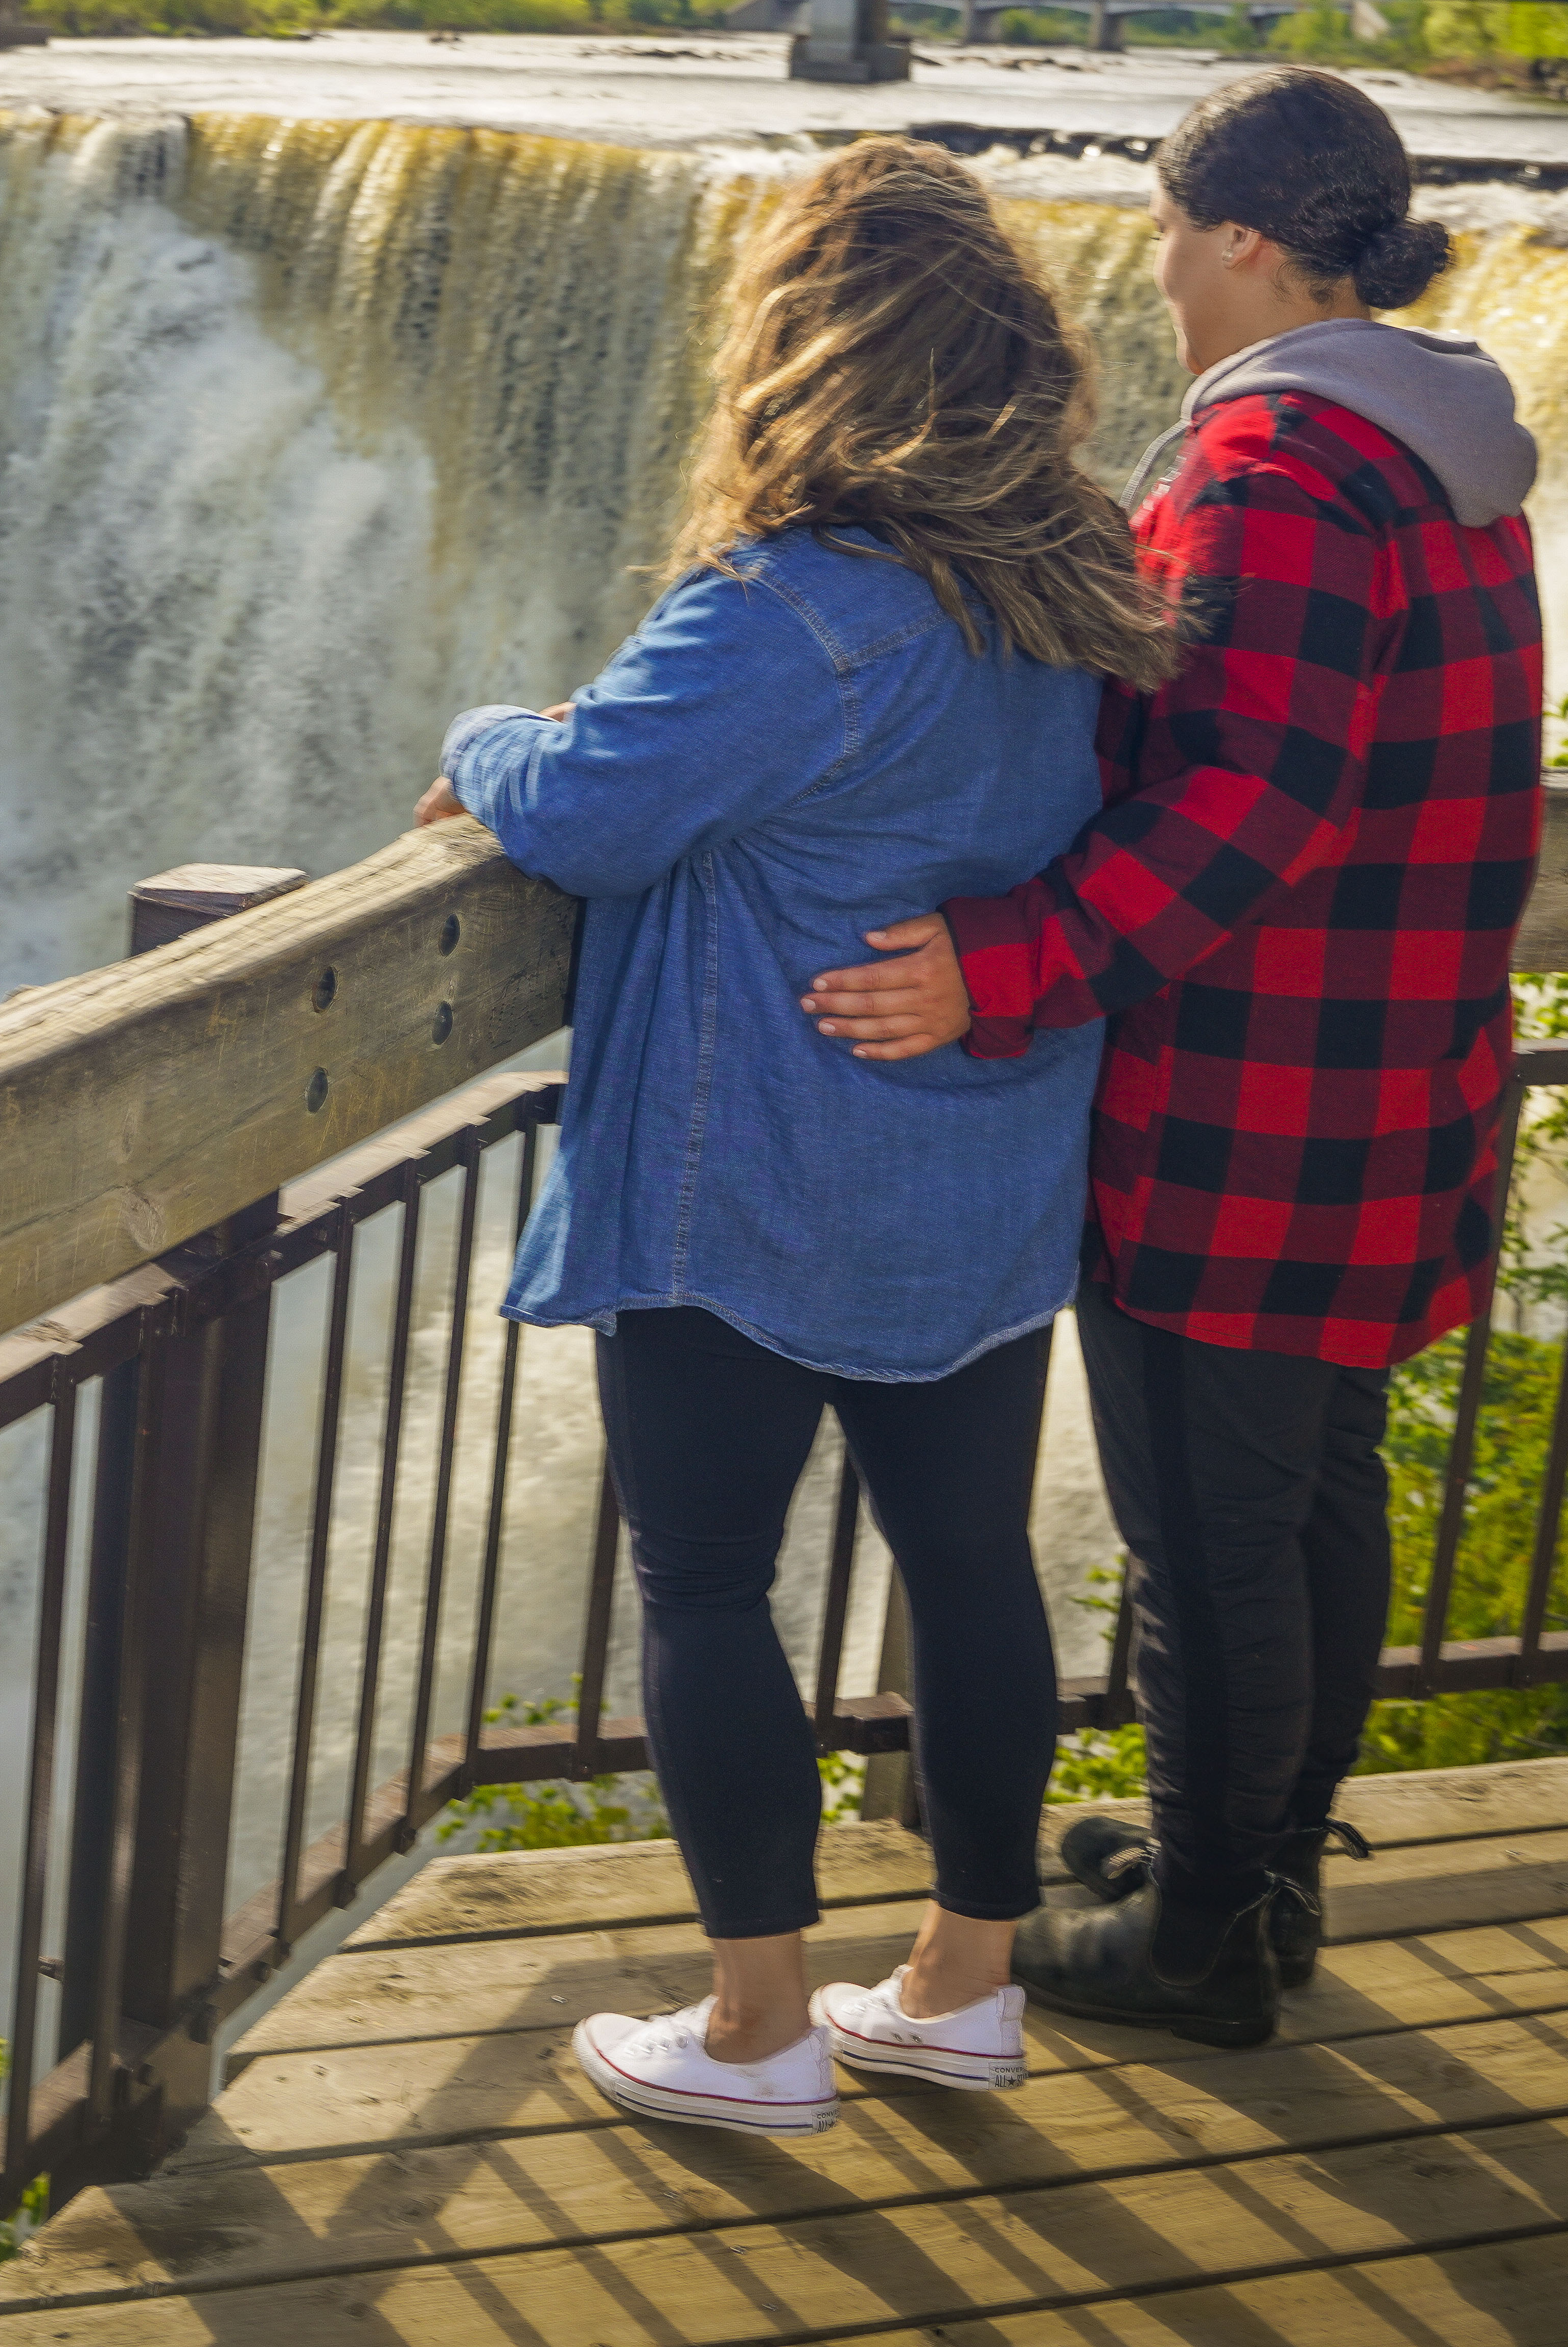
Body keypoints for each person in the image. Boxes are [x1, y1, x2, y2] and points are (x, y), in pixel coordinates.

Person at [416, 136, 1181, 2138]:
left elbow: (587, 807)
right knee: (971, 1563)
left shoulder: (795, 605)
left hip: (755, 1171)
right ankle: (961, 1990)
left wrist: (482, 739)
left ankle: (757, 2032)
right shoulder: (1069, 581)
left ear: (810, 349)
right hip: (980, 1163)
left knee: (703, 1583)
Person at [801, 64, 1544, 2049]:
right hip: (1400, 1073)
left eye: (1160, 230)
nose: (1152, 270)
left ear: (1238, 239)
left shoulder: (1274, 465)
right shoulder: (1445, 456)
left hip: (1247, 1100)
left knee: (1209, 1537)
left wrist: (1004, 965)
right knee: (1311, 1493)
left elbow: (1251, 799)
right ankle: (1260, 1868)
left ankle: (1203, 1937)